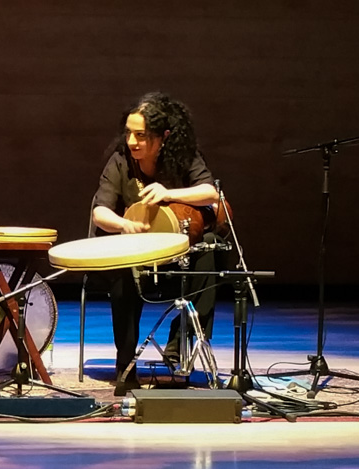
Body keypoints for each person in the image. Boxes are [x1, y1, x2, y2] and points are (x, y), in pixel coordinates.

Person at [91, 92, 226, 395]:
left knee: (210, 252)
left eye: (141, 135)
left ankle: (181, 344)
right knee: (122, 271)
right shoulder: (121, 161)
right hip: (135, 255)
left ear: (163, 137)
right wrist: (124, 224)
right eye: (128, 133)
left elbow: (210, 193)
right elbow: (100, 211)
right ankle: (125, 364)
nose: (131, 141)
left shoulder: (183, 155)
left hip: (178, 257)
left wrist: (169, 194)